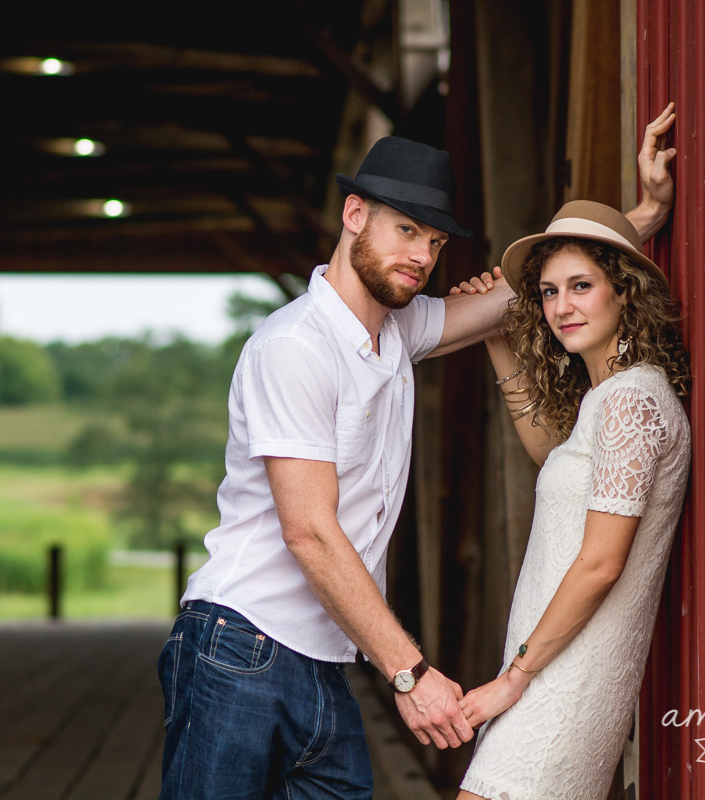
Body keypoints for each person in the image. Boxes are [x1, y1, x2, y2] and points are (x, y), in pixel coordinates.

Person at [158, 106, 677, 800]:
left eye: (433, 242)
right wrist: (410, 672)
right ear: (353, 216)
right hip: (242, 645)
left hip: (325, 660)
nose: (421, 258)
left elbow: (540, 289)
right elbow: (309, 531)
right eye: (405, 231)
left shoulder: (396, 332)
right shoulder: (296, 347)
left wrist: (639, 217)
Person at [447, 199, 692, 800]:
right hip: (553, 671)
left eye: (581, 286)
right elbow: (554, 458)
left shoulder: (631, 403)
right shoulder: (611, 398)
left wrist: (514, 680)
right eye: (551, 292)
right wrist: (499, 340)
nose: (562, 306)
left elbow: (601, 562)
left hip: (562, 682)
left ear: (625, 292)